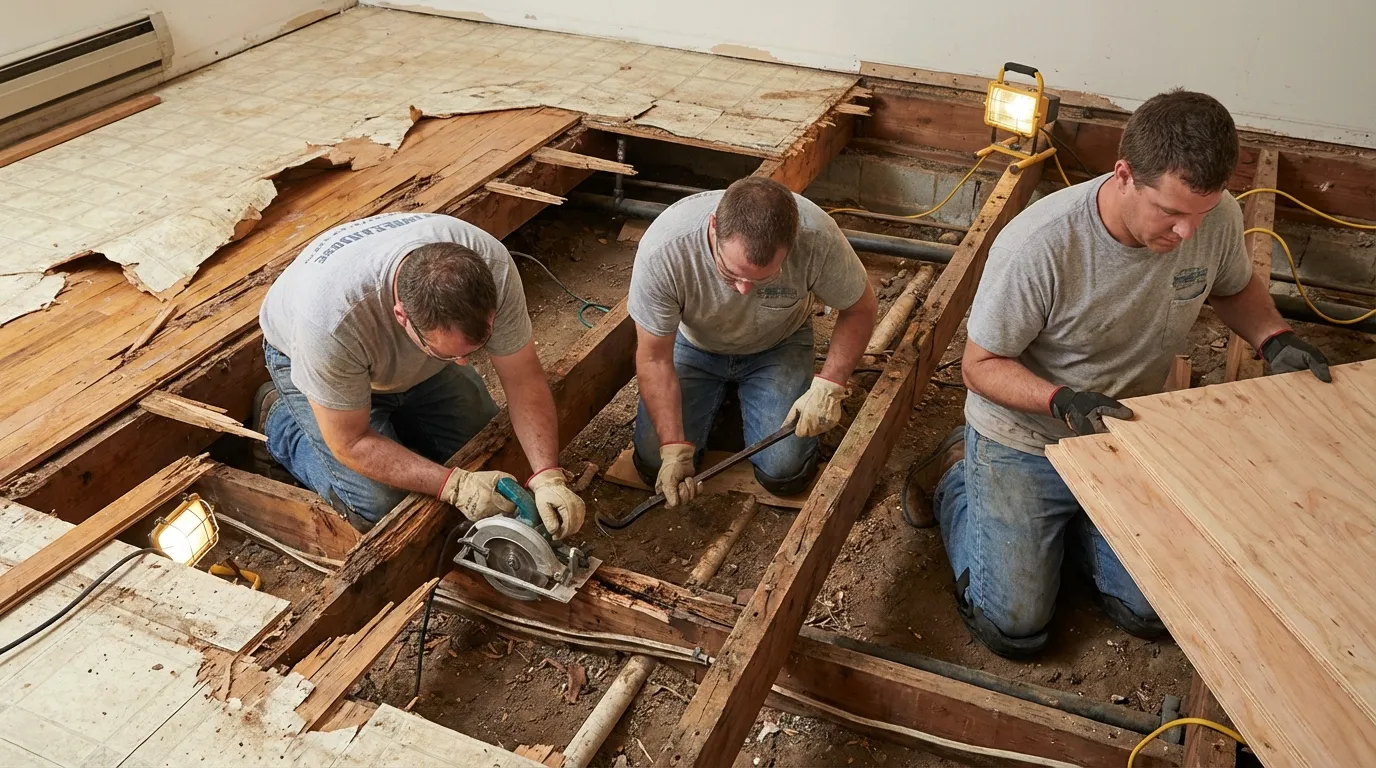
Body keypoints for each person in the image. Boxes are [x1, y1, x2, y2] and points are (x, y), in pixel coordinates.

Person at [903, 89, 1331, 658]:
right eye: (1171, 212)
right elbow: (979, 366)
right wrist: (1061, 400)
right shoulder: (1041, 245)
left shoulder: (1215, 216)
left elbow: (1233, 288)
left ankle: (1073, 526)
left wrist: (1274, 338)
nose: (1187, 232)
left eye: (1201, 213)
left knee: (1151, 613)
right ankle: (959, 478)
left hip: (1125, 430)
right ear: (1124, 175)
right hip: (1026, 438)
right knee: (1015, 627)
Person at [255, 212, 585, 538]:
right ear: (402, 317)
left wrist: (547, 475)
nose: (464, 363)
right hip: (313, 359)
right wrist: (453, 486)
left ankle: (398, 421)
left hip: (390, 357)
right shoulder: (331, 323)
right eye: (450, 354)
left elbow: (524, 379)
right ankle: (280, 421)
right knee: (385, 506)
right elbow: (350, 442)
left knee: (488, 451)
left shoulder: (492, 267)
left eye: (475, 349)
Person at [628, 177, 878, 507]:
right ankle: (729, 406)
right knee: (654, 464)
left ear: (791, 242)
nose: (744, 290)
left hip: (779, 344)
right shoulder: (666, 249)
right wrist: (673, 445)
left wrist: (830, 384)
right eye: (731, 273)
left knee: (785, 472)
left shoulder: (817, 237)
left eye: (763, 279)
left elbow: (860, 309)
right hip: (695, 345)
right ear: (714, 227)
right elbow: (654, 358)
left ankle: (734, 407)